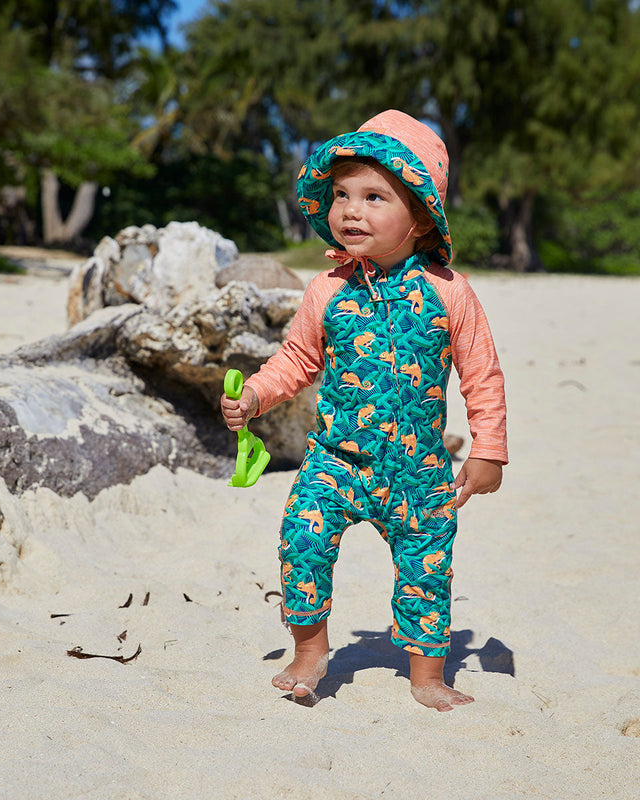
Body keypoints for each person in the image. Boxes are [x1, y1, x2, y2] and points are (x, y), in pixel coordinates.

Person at [220, 109, 508, 712]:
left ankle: (427, 676)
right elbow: (297, 361)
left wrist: (487, 451)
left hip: (419, 470)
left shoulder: (448, 291)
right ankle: (309, 652)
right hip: (335, 461)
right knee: (301, 539)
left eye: (375, 196)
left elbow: (481, 374)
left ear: (421, 217)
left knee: (426, 573)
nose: (351, 209)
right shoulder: (328, 289)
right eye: (342, 195)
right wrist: (252, 395)